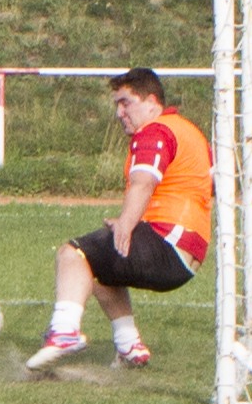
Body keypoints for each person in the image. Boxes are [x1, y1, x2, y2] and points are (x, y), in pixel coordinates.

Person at [26, 67, 213, 371]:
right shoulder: (189, 131)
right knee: (98, 268)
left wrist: (127, 223)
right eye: (117, 104)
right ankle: (129, 346)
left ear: (152, 102)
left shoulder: (155, 131)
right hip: (189, 252)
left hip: (168, 243)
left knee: (73, 254)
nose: (119, 113)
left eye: (126, 102)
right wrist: (134, 224)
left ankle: (64, 332)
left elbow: (144, 181)